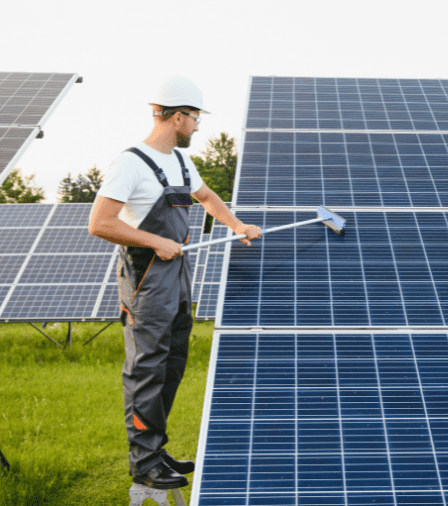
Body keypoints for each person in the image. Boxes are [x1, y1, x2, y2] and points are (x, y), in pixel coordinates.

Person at [88, 75, 261, 490]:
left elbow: (207, 198)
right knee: (146, 370)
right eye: (196, 118)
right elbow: (100, 223)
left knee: (173, 364)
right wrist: (156, 241)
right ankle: (142, 462)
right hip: (146, 279)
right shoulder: (130, 162)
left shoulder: (181, 162)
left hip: (178, 276)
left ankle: (156, 448)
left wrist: (236, 225)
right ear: (178, 116)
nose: (199, 126)